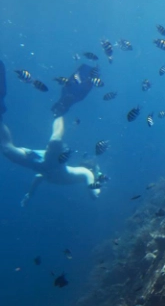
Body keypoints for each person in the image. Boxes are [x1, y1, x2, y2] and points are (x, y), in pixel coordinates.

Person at [0, 60, 101, 206]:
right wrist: (97, 179)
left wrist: (29, 194)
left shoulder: (77, 173)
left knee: (7, 150)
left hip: (40, 163)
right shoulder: (84, 173)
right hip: (52, 162)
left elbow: (37, 178)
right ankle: (61, 108)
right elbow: (94, 194)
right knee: (54, 140)